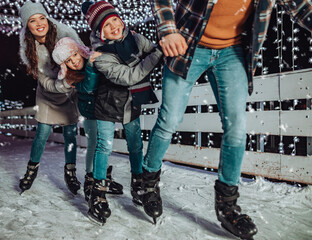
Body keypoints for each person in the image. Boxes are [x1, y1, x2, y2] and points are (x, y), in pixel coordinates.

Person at [142, 0, 312, 238]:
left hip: (232, 52)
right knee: (170, 119)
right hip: (189, 44)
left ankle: (227, 204)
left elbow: (302, 8)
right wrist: (168, 29)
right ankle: (147, 182)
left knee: (236, 128)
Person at [81, 0, 162, 224]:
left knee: (136, 145)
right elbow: (129, 76)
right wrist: (157, 54)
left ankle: (138, 184)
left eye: (115, 19)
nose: (114, 26)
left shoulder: (135, 39)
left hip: (131, 103)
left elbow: (153, 48)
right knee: (104, 145)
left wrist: (157, 51)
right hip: (107, 105)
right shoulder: (100, 56)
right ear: (100, 33)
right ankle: (97, 192)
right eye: (107, 25)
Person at [18, 1, 85, 195]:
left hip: (70, 92)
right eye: (32, 20)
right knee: (42, 133)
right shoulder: (28, 51)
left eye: (42, 17)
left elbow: (81, 56)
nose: (39, 23)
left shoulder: (66, 35)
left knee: (70, 134)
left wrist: (74, 80)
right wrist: (60, 85)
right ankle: (31, 171)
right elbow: (44, 81)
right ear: (27, 26)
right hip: (48, 95)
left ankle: (70, 173)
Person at [51, 37, 123, 202]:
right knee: (95, 144)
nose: (74, 62)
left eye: (75, 55)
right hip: (90, 114)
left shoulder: (93, 61)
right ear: (64, 65)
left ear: (80, 51)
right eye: (68, 61)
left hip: (104, 111)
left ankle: (102, 174)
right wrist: (90, 65)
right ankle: (91, 178)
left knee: (105, 144)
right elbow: (89, 87)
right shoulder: (73, 77)